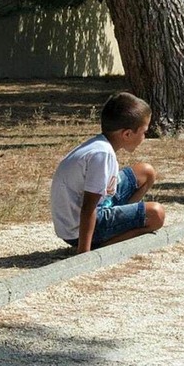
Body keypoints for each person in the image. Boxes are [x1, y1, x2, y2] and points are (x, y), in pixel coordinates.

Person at [50, 92, 165, 253]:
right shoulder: (102, 155)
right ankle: (103, 245)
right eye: (144, 132)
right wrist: (84, 253)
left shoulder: (100, 145)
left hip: (97, 208)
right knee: (156, 214)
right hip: (78, 229)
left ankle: (120, 223)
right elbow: (88, 207)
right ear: (127, 134)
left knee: (146, 172)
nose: (144, 137)